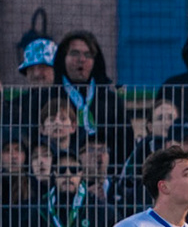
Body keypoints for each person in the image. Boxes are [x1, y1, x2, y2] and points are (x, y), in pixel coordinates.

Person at [54, 31, 131, 162]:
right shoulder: (49, 97)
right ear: (63, 58)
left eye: (88, 55)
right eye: (74, 53)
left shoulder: (111, 101)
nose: (81, 59)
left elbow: (125, 143)